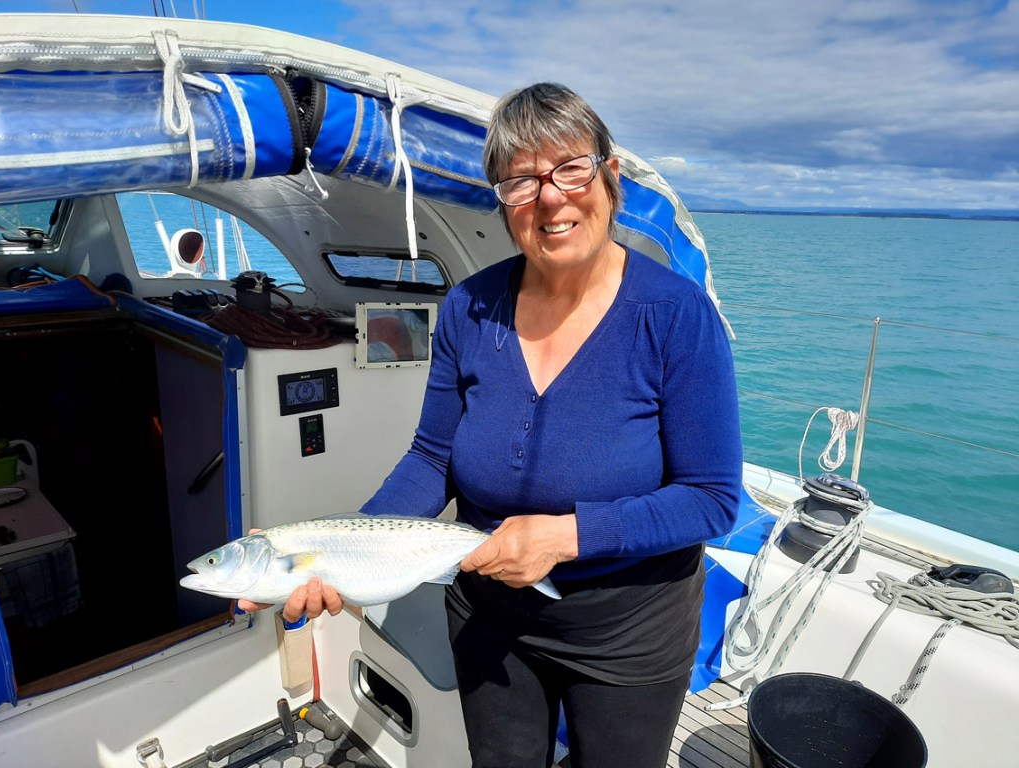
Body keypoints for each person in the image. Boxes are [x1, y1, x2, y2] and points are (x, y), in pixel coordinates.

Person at [240, 82, 742, 768]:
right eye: (521, 182)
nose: (550, 198)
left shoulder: (677, 316)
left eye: (571, 169)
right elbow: (431, 458)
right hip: (489, 613)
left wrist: (566, 536)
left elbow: (711, 499)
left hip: (628, 630)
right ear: (502, 203)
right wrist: (339, 551)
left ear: (610, 177)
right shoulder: (469, 308)